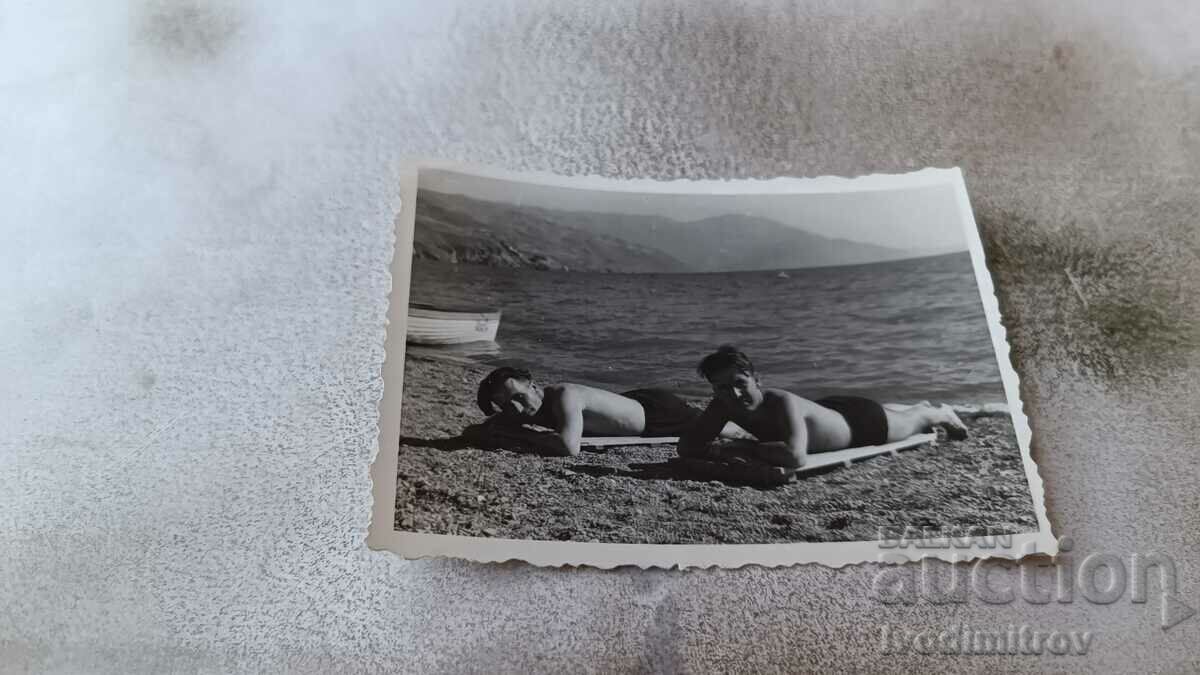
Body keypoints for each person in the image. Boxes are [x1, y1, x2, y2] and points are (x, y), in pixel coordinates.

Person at [678, 345, 968, 469]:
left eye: (740, 382)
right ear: (714, 389)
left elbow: (795, 457)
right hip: (828, 411)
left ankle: (938, 411)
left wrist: (738, 449)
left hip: (861, 425)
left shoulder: (780, 401)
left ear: (757, 379)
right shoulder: (723, 404)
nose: (734, 392)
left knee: (914, 422)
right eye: (722, 387)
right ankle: (912, 408)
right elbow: (688, 447)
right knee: (902, 416)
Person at [466, 366, 704, 456]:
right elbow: (479, 429)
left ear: (534, 386)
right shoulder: (526, 408)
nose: (515, 408)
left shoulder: (564, 395)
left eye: (519, 397)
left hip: (657, 415)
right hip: (631, 402)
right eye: (507, 404)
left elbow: (569, 448)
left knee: (728, 430)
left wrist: (519, 434)